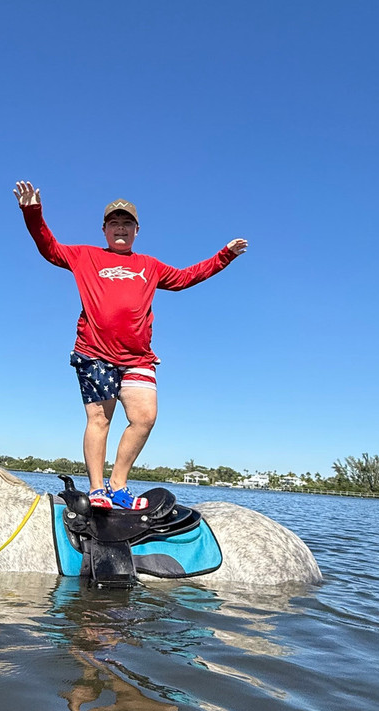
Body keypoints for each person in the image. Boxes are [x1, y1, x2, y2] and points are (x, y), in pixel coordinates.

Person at [14, 180, 247, 509]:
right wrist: (32, 211)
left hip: (138, 357)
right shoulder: (86, 256)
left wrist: (225, 256)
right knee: (100, 420)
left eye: (127, 224)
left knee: (145, 417)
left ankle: (118, 484)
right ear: (104, 230)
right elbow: (48, 246)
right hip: (95, 353)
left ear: (136, 230)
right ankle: (97, 490)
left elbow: (185, 278)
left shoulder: (149, 266)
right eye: (114, 224)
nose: (120, 228)